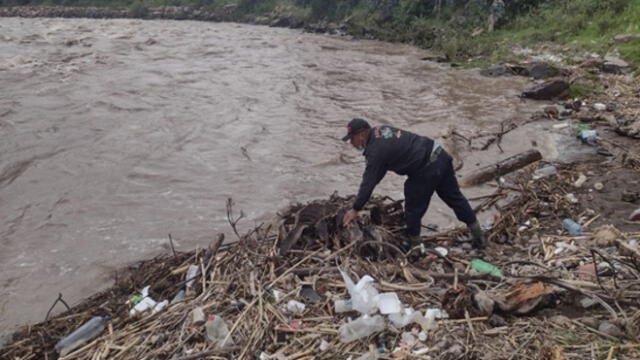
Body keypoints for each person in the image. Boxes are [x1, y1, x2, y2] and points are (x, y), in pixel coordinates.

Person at [341, 118, 485, 250]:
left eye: (351, 139)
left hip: (426, 168)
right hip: (440, 155)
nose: (352, 144)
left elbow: (369, 181)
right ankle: (479, 236)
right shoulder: (381, 130)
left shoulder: (375, 150)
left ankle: (415, 246)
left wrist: (355, 208)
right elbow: (378, 172)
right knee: (455, 198)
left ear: (361, 135)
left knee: (413, 205)